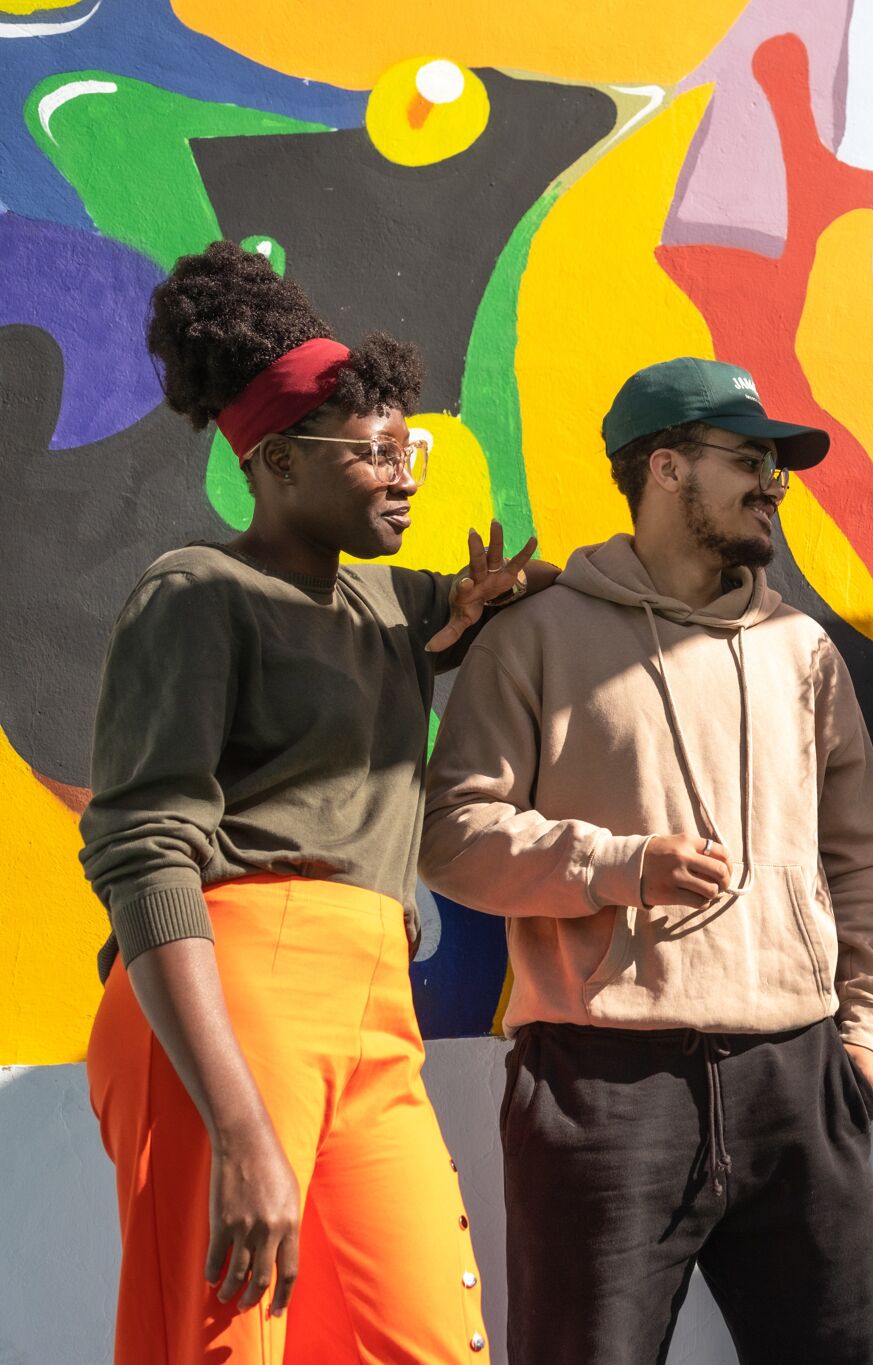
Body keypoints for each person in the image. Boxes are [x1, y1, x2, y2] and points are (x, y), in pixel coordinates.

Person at [80, 240, 547, 1364]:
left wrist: (488, 604)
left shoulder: (387, 604)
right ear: (280, 462)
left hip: (372, 1004)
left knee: (424, 1337)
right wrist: (236, 1123)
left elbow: (518, 590)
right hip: (231, 991)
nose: (405, 475)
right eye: (377, 451)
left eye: (410, 446)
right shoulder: (200, 592)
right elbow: (146, 849)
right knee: (224, 1343)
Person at [418, 357, 873, 1364]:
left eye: (776, 464)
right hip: (604, 1087)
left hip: (798, 1074)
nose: (773, 482)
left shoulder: (802, 649)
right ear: (666, 468)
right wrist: (615, 866)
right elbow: (452, 837)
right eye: (747, 459)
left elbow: (856, 854)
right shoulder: (534, 637)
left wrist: (862, 1032)